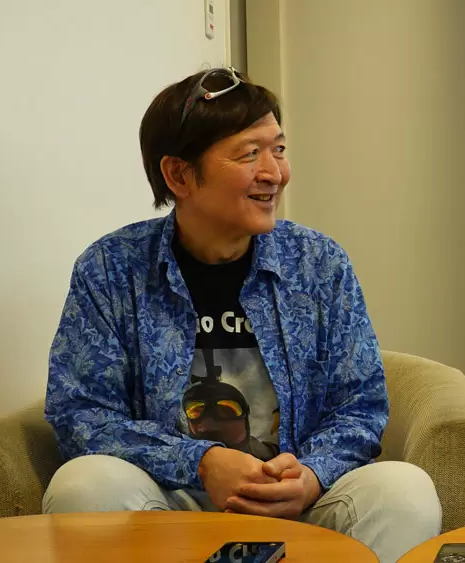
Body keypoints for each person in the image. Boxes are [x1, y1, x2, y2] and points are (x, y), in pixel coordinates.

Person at [42, 68, 441, 563]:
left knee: (404, 491)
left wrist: (311, 475)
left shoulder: (318, 263)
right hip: (171, 502)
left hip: (299, 505)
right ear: (179, 175)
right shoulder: (111, 269)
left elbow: (360, 405)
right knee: (83, 485)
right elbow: (79, 412)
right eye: (250, 154)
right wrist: (201, 461)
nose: (275, 173)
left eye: (279, 149)